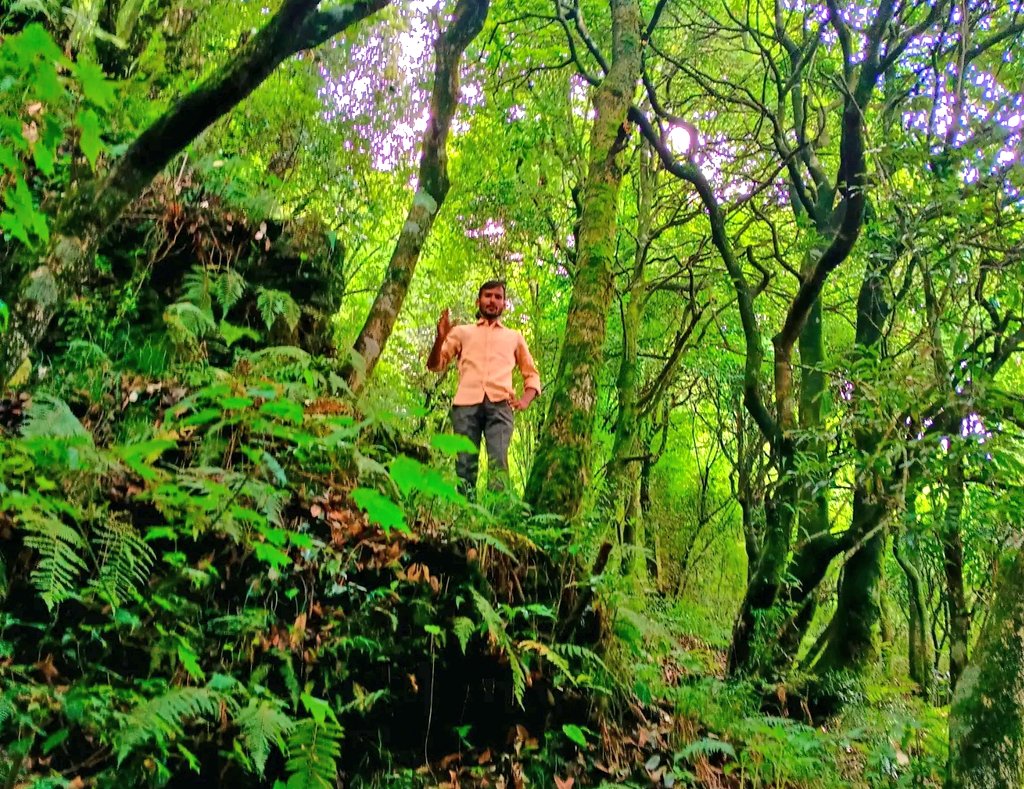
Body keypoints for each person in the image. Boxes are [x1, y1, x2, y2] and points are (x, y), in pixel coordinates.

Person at [427, 280, 541, 496]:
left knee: (499, 462)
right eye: (487, 295)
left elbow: (532, 374)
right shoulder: (462, 332)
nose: (492, 301)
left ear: (504, 304)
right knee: (464, 464)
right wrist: (441, 337)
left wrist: (525, 400)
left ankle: (495, 520)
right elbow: (435, 365)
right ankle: (464, 515)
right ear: (478, 301)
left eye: (498, 297)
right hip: (465, 405)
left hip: (500, 406)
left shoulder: (514, 337)